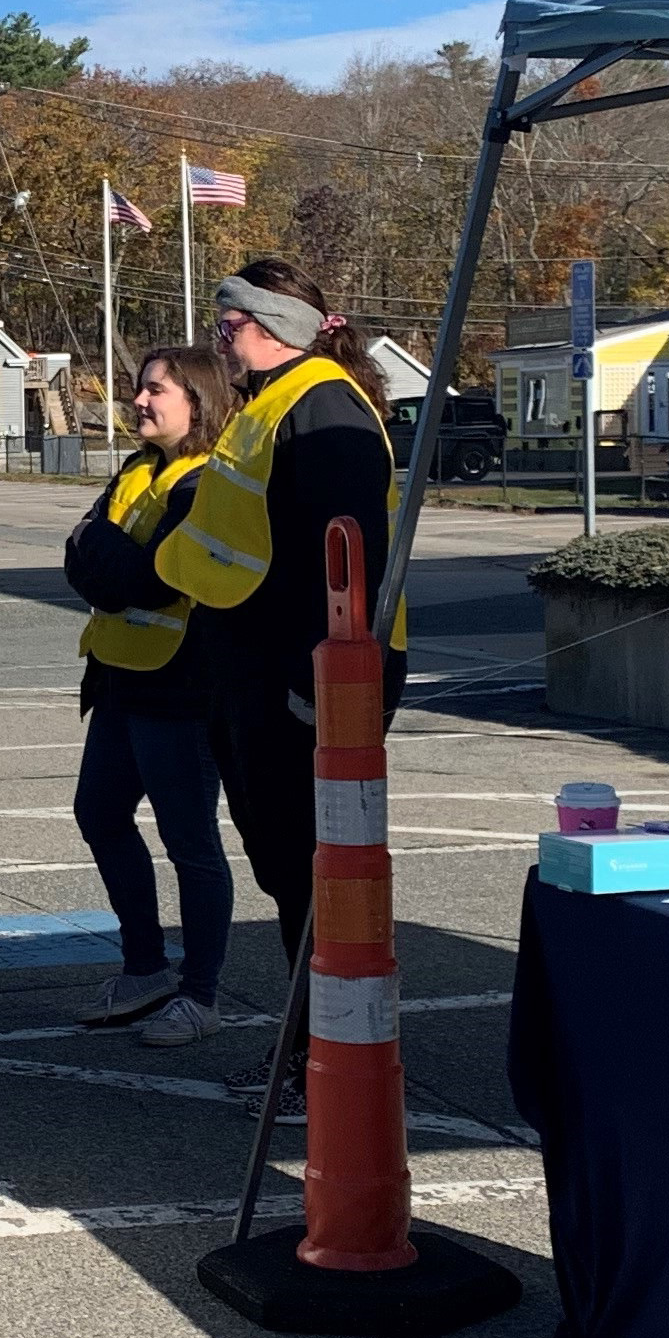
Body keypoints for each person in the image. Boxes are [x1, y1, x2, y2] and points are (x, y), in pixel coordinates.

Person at [152, 259, 407, 1048]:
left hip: (304, 683)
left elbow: (345, 553)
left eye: (228, 328)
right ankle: (312, 1052)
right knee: (287, 869)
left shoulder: (324, 407)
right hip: (252, 671)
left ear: (273, 328)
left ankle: (327, 1058)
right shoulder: (270, 403)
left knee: (310, 876)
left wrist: (314, 679)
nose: (218, 343)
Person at [61, 343, 238, 1048]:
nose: (139, 400)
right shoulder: (138, 471)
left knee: (189, 841)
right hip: (120, 676)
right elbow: (81, 553)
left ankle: (201, 994)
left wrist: (103, 556)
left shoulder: (204, 484)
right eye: (139, 388)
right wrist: (106, 558)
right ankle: (145, 967)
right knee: (98, 813)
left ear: (197, 400)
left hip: (181, 688)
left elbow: (151, 579)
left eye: (155, 389)